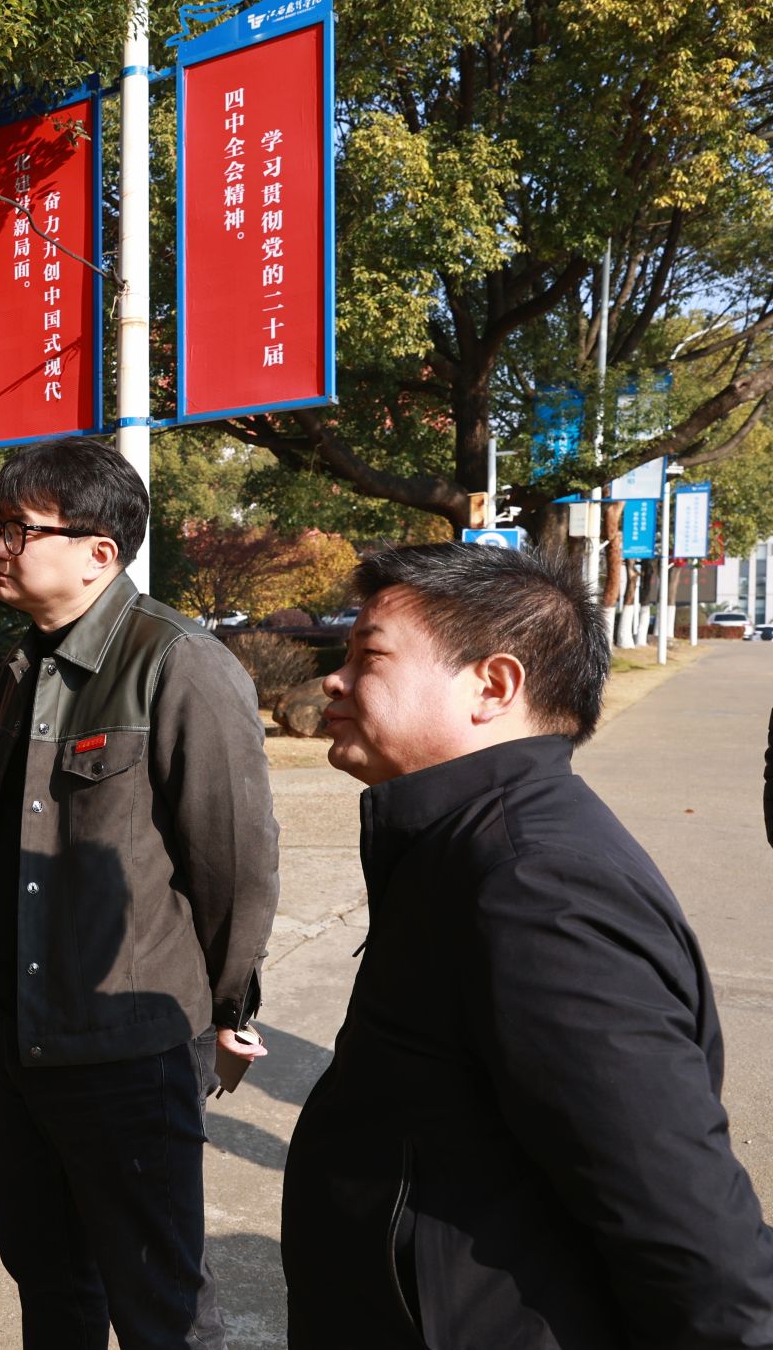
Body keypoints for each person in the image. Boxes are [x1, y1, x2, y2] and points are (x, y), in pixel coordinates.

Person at [283, 542, 773, 1347]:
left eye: (370, 655)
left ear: (493, 686)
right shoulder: (464, 844)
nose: (336, 680)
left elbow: (681, 1218)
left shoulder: (535, 884)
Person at [0, 437, 278, 1348]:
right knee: (49, 1281)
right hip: (18, 1036)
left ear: (100, 552)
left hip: (128, 1048)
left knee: (159, 1300)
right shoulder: (23, 668)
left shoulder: (179, 663)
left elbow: (234, 863)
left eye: (20, 529)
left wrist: (223, 1010)